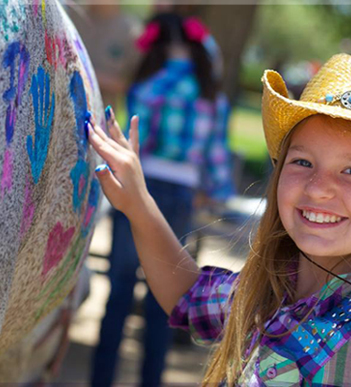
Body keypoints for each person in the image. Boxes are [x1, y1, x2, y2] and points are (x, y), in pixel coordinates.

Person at [87, 53, 351, 385]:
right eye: (302, 162)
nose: (318, 189)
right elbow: (189, 297)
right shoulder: (285, 287)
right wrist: (137, 202)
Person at [90, 12, 234, 387]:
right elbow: (215, 150)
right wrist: (215, 192)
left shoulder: (148, 84)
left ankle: (100, 378)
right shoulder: (208, 89)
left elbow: (134, 140)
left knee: (119, 288)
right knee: (165, 297)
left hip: (138, 184)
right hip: (181, 192)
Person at [67, 4, 142, 112]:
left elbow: (131, 84)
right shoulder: (70, 17)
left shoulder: (132, 31)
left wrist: (87, 76)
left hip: (102, 120)